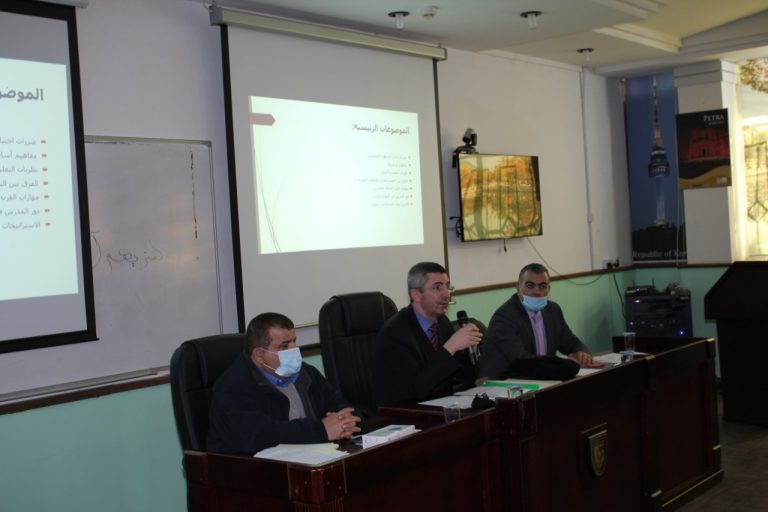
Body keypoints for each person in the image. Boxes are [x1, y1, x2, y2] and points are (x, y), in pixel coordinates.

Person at [207, 312, 361, 455]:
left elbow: (337, 403)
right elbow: (259, 436)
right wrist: (321, 430)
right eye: (284, 346)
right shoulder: (232, 387)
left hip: (310, 455)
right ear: (259, 355)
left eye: (294, 341)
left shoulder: (305, 372)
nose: (295, 350)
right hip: (253, 467)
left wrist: (346, 421)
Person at [373, 261, 481, 406]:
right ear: (416, 294)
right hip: (406, 411)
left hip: (442, 405)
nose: (446, 294)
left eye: (447, 287)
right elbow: (415, 390)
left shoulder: (442, 322)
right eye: (437, 287)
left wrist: (469, 352)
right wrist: (450, 347)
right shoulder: (394, 333)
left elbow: (461, 378)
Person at [477, 263, 601, 381]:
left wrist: (582, 353)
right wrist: (566, 363)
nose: (537, 292)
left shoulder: (553, 310)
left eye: (542, 286)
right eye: (530, 285)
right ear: (518, 288)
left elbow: (571, 342)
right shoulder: (505, 316)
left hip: (539, 378)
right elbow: (522, 360)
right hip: (501, 383)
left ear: (549, 289)